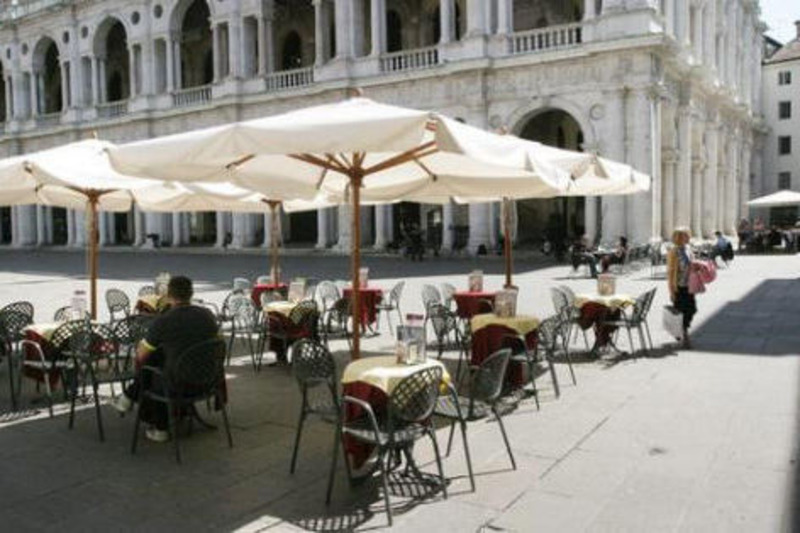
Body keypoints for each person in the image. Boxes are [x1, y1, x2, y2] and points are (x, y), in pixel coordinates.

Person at [113, 276, 219, 442]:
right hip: (208, 380)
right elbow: (218, 344)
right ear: (191, 294)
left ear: (169, 296)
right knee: (159, 359)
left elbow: (140, 355)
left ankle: (157, 425)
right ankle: (129, 398)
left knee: (152, 365)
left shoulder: (164, 321)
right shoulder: (207, 315)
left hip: (177, 386)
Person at [667, 228, 697, 349]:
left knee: (692, 309)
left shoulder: (688, 249)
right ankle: (685, 334)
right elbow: (670, 272)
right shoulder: (673, 252)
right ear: (679, 237)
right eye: (685, 235)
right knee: (681, 311)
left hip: (690, 285)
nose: (688, 237)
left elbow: (692, 263)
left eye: (688, 235)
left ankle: (680, 331)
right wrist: (671, 290)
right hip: (679, 286)